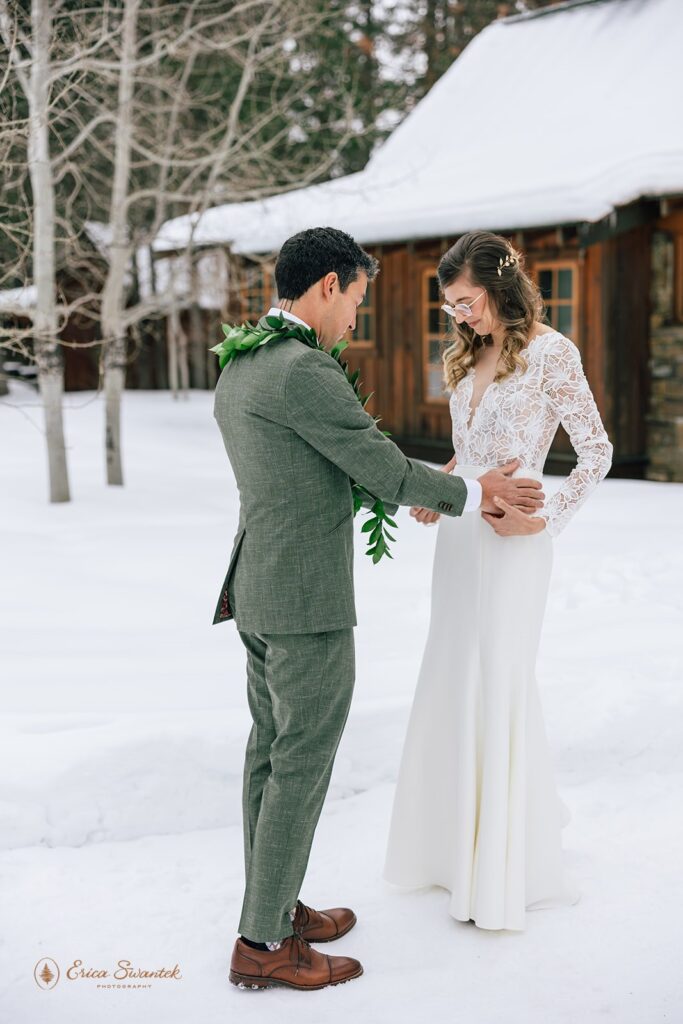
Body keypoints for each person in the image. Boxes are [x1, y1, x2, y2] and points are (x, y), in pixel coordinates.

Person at [211, 226, 545, 989]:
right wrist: (473, 491)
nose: (358, 316)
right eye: (357, 297)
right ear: (328, 285)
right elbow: (378, 466)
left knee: (269, 753)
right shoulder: (303, 371)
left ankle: (273, 904)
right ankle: (263, 943)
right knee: (298, 762)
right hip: (304, 599)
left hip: (257, 586)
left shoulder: (244, 366)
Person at [383, 230, 613, 931]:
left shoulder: (552, 353)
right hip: (459, 542)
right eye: (449, 305)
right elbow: (467, 452)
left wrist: (544, 524)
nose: (457, 315)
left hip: (515, 542)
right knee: (453, 678)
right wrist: (438, 486)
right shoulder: (463, 355)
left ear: (501, 287)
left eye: (466, 301)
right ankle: (454, 854)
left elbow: (594, 453)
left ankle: (503, 865)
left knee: (498, 680)